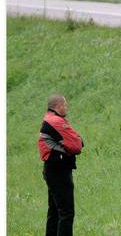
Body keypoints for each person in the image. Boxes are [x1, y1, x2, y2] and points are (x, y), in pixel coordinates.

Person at [38, 94, 84, 236]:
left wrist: (76, 140)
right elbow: (77, 145)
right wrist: (79, 140)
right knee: (66, 212)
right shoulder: (56, 121)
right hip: (59, 171)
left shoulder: (48, 119)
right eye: (65, 105)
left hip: (51, 170)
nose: (66, 107)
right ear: (58, 106)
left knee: (54, 211)